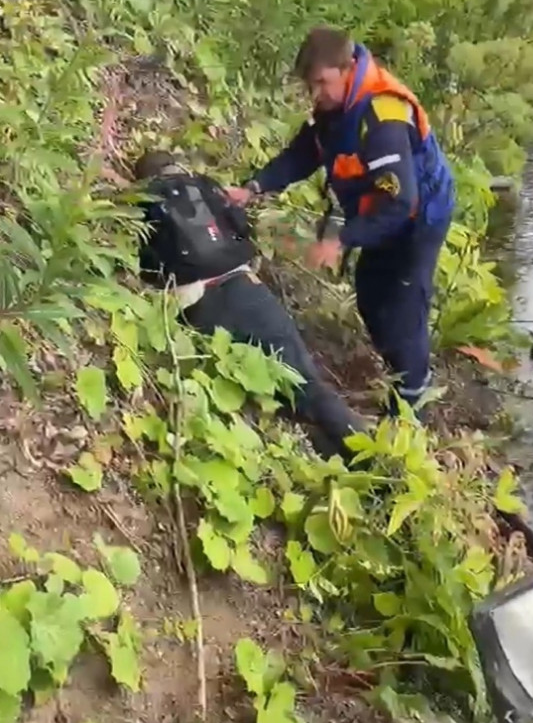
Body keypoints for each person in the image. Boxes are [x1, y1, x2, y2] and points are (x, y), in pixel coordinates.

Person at [227, 27, 454, 414]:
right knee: (369, 292)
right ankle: (399, 373)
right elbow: (303, 154)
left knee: (402, 305)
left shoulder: (382, 117)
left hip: (418, 218)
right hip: (380, 215)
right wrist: (254, 187)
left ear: (348, 69)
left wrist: (342, 238)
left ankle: (414, 401)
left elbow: (400, 202)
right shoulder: (334, 108)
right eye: (309, 85)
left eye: (321, 83)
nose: (315, 94)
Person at [132, 149, 366, 462]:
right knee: (305, 387)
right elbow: (242, 227)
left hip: (197, 311)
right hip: (244, 290)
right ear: (179, 166)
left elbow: (146, 263)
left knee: (269, 400)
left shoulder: (145, 199)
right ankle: (374, 462)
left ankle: (340, 464)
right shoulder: (205, 185)